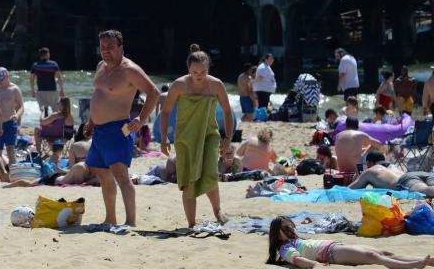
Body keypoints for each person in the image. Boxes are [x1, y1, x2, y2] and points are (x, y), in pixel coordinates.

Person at [86, 29, 159, 227]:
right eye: (103, 47)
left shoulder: (129, 70)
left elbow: (154, 92)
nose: (106, 50)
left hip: (118, 129)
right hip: (99, 131)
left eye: (110, 46)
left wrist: (142, 119)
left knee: (121, 176)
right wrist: (91, 121)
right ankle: (110, 218)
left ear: (121, 47)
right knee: (102, 174)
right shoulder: (101, 66)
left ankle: (131, 222)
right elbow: (99, 95)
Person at [160, 45, 234, 228]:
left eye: (203, 71)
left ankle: (218, 212)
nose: (199, 75)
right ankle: (191, 224)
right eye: (195, 72)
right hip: (185, 138)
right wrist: (163, 138)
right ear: (188, 69)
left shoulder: (216, 84)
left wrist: (228, 138)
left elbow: (227, 111)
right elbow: (165, 112)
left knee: (210, 173)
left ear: (208, 69)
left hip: (209, 135)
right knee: (188, 180)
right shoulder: (179, 85)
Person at [268, 214, 433, 268]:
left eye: (291, 226)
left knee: (384, 252)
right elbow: (296, 259)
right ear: (278, 235)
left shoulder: (295, 241)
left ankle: (428, 261)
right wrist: (313, 265)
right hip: (331, 254)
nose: (292, 230)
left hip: (337, 247)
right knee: (373, 257)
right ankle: (413, 265)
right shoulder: (285, 248)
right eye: (287, 228)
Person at [350, 150, 434, 197]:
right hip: (420, 174)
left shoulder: (371, 170)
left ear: (369, 163)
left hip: (405, 180)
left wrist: (358, 177)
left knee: (425, 191)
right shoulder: (392, 166)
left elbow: (349, 189)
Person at [0, 68, 24, 166]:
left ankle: (13, 172)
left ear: (7, 76)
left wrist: (17, 115)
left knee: (10, 149)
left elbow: (21, 107)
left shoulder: (14, 89)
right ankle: (2, 172)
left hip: (10, 123)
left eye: (1, 79)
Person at [30, 47, 65, 114]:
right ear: (47, 54)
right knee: (56, 111)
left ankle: (45, 124)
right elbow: (59, 78)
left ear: (40, 55)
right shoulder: (53, 64)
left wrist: (32, 91)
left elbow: (32, 79)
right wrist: (61, 90)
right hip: (52, 91)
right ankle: (58, 124)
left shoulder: (35, 65)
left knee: (44, 111)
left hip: (41, 91)